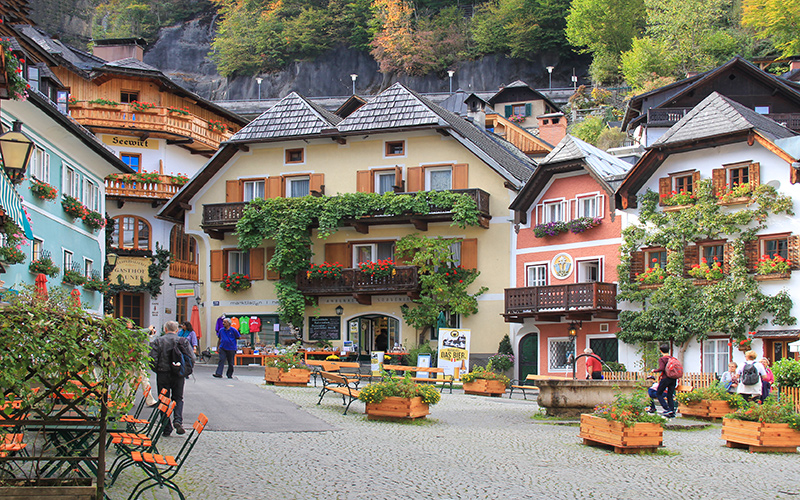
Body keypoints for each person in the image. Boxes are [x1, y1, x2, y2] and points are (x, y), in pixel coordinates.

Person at [148, 320, 195, 436]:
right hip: (178, 374)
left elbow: (151, 359)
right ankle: (178, 420)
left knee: (163, 400)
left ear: (165, 329)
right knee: (178, 398)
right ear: (176, 330)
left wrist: (157, 369)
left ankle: (166, 427)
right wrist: (185, 371)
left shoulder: (158, 341)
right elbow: (192, 357)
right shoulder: (182, 341)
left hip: (163, 373)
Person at [651, 343, 677, 418]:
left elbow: (662, 368)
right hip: (673, 378)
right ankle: (671, 410)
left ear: (661, 351)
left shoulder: (662, 359)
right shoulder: (672, 358)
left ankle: (667, 408)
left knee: (659, 393)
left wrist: (655, 370)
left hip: (666, 378)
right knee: (670, 394)